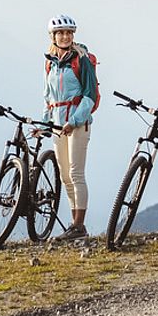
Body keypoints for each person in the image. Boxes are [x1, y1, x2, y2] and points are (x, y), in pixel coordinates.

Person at [42, 14, 99, 239]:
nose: (65, 37)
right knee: (65, 175)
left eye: (68, 33)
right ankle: (74, 225)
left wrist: (73, 121)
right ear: (53, 36)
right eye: (60, 33)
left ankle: (79, 224)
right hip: (58, 124)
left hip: (78, 123)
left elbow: (90, 95)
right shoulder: (50, 62)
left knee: (76, 173)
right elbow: (48, 96)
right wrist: (46, 124)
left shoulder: (81, 60)